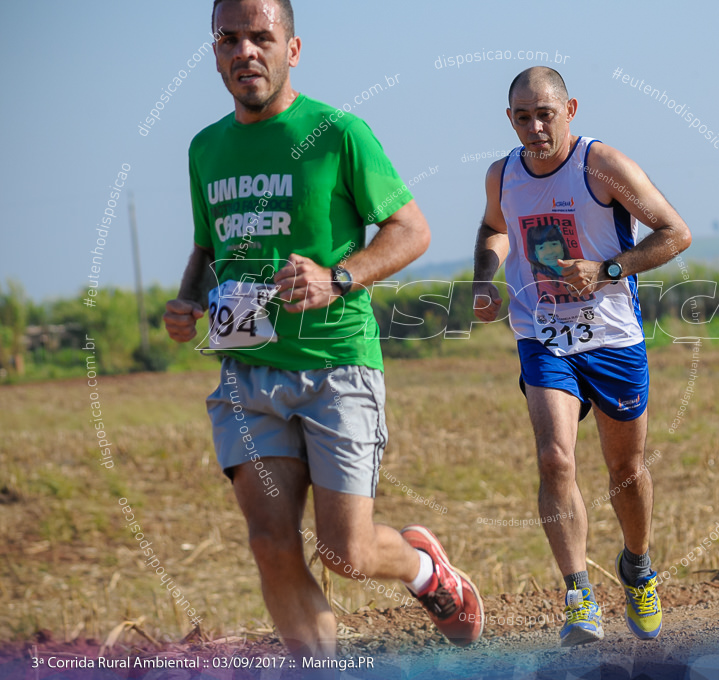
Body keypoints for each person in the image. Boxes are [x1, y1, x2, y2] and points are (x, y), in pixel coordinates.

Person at [163, 0, 482, 663]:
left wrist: (338, 277)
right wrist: (187, 299)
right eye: (228, 39)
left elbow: (411, 231)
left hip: (337, 365)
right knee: (270, 544)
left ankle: (426, 569)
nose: (244, 50)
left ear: (293, 48)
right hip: (248, 373)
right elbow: (208, 244)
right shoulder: (205, 147)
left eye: (260, 36)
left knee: (347, 553)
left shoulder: (338, 133)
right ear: (215, 51)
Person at [472, 67, 691, 646]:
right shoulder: (503, 175)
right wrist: (485, 279)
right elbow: (493, 230)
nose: (535, 127)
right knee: (555, 461)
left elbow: (674, 234)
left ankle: (638, 569)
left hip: (613, 337)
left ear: (571, 108)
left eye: (545, 114)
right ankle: (578, 596)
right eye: (522, 117)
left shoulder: (602, 166)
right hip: (543, 333)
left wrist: (606, 270)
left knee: (626, 470)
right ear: (510, 119)